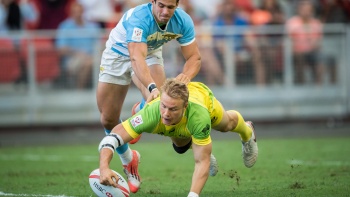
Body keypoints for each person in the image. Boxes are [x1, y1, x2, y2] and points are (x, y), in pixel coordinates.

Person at [98, 78, 259, 196]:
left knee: (227, 125)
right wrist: (104, 167)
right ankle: (197, 146)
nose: (166, 114)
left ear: (185, 107)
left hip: (203, 99)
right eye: (164, 106)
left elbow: (202, 161)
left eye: (173, 109)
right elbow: (112, 138)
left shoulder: (199, 116)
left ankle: (247, 132)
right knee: (180, 147)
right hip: (181, 126)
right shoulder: (151, 113)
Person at [97, 0, 201, 158]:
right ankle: (129, 160)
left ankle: (141, 110)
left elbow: (194, 57)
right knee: (108, 119)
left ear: (177, 5)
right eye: (161, 5)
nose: (165, 12)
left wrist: (186, 76)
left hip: (150, 52)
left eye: (170, 7)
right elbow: (136, 58)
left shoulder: (183, 21)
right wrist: (151, 87)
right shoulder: (140, 18)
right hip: (117, 54)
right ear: (152, 2)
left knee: (160, 103)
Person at [55, 1, 100, 89]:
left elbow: (98, 45)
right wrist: (78, 53)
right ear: (71, 13)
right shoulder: (64, 27)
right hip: (72, 58)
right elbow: (61, 49)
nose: (78, 14)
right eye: (75, 12)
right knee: (87, 63)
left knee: (94, 62)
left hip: (92, 57)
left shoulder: (92, 27)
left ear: (83, 12)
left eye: (79, 11)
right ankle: (80, 90)